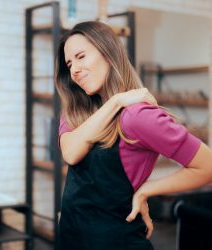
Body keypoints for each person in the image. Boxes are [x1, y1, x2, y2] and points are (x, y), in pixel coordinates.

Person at [56, 21, 212, 250]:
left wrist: (147, 190)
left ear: (108, 53)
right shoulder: (76, 111)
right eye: (69, 64)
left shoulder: (138, 116)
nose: (74, 70)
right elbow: (71, 153)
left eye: (81, 56)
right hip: (70, 239)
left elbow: (207, 166)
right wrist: (117, 101)